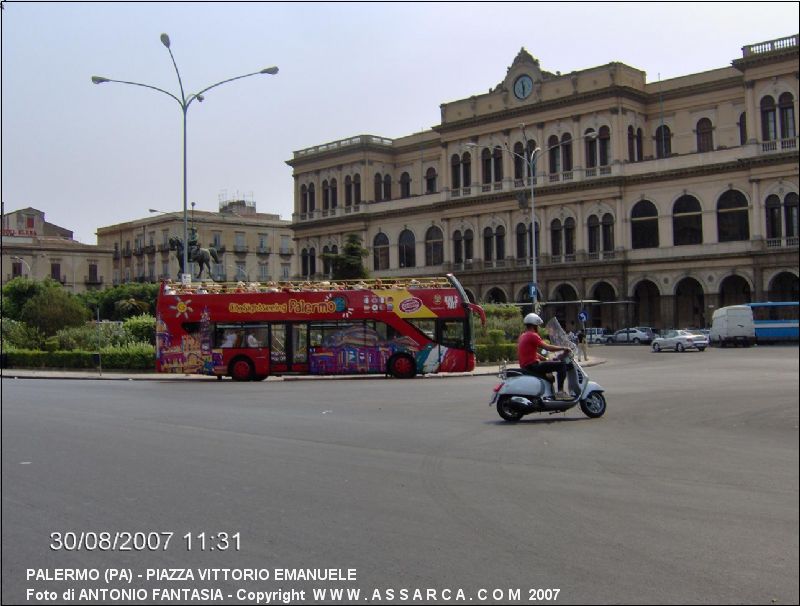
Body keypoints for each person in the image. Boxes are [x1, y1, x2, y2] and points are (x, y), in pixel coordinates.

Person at [517, 313, 573, 400]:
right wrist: (564, 348)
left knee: (550, 369)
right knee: (561, 365)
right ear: (534, 325)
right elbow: (547, 347)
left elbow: (533, 353)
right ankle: (560, 392)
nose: (539, 328)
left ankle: (548, 394)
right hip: (533, 366)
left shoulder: (523, 335)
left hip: (527, 366)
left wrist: (546, 359)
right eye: (538, 326)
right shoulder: (533, 335)